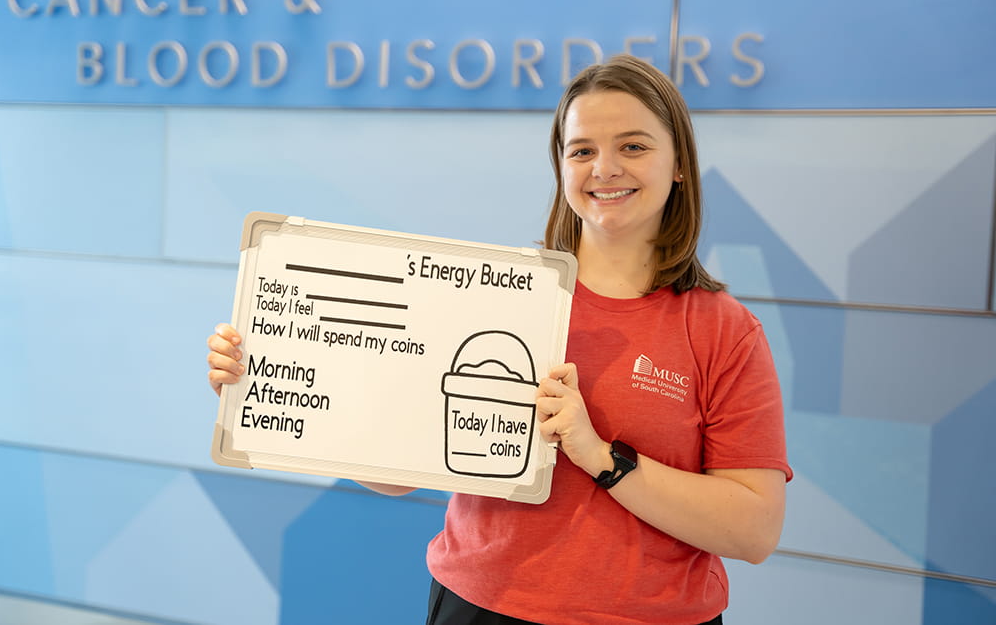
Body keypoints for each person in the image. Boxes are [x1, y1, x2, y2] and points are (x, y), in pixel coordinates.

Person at [206, 54, 791, 625]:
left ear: (679, 163)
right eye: (581, 150)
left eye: (633, 147)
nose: (604, 168)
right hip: (483, 606)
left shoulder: (723, 330)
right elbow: (399, 472)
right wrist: (264, 381)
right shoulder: (501, 297)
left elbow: (753, 529)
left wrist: (599, 455)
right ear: (561, 169)